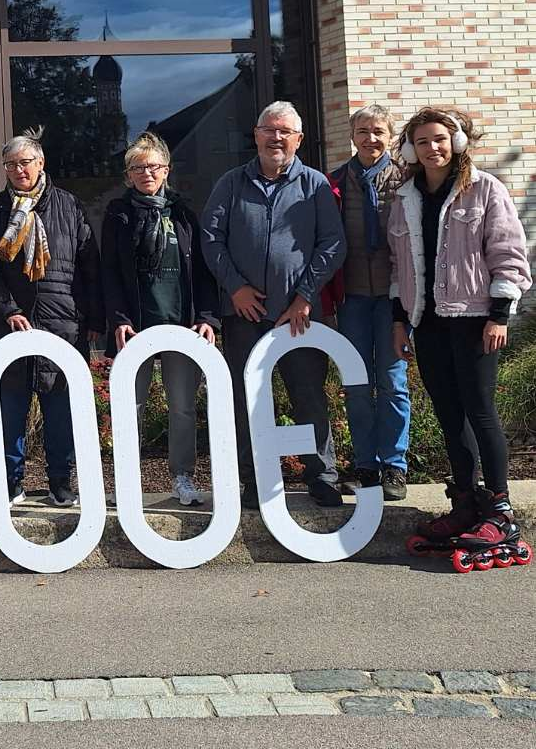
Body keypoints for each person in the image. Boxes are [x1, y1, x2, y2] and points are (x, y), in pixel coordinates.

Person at [389, 108, 531, 555]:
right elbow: (398, 266)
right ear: (411, 149)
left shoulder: (485, 188)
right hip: (428, 322)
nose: (433, 148)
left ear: (457, 142)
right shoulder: (405, 198)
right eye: (423, 141)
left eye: (440, 139)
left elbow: (508, 253)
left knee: (480, 410)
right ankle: (466, 502)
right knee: (449, 414)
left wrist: (500, 315)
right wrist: (399, 320)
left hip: (475, 319)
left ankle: (500, 510)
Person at [201, 101, 345, 508]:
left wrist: (304, 297)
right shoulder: (231, 183)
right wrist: (236, 288)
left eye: (285, 131)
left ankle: (322, 476)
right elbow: (211, 239)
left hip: (299, 316)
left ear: (298, 139)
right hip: (244, 314)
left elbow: (333, 243)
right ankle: (255, 478)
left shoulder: (314, 185)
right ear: (256, 134)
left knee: (308, 396)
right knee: (249, 398)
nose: (276, 138)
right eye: (269, 130)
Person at [0, 129, 101, 508]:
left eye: (25, 162)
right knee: (10, 412)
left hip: (62, 327)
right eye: (10, 164)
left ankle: (61, 482)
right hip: (8, 328)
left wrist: (93, 318)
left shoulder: (69, 206)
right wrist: (8, 309)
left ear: (41, 163)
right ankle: (11, 483)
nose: (18, 170)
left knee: (60, 413)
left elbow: (89, 266)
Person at [102, 132, 220, 507]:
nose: (146, 173)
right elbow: (110, 273)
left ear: (166, 170)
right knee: (130, 406)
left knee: (182, 406)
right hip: (134, 327)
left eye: (153, 166)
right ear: (128, 176)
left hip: (181, 324)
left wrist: (206, 317)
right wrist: (118, 319)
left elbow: (203, 271)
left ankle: (182, 476)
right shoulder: (118, 215)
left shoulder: (184, 213)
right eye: (138, 168)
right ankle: (127, 480)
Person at [327, 105, 410, 502]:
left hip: (394, 299)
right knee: (357, 383)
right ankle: (365, 465)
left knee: (392, 382)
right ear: (352, 135)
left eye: (378, 131)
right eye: (363, 131)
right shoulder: (335, 182)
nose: (370, 138)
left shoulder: (407, 181)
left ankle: (394, 465)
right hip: (353, 297)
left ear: (390, 136)